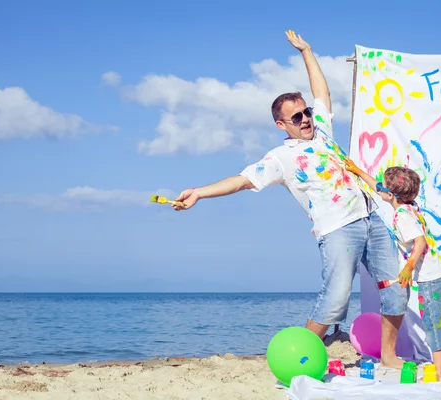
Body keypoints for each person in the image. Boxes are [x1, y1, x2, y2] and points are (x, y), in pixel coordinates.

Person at [172, 30, 409, 369]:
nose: (306, 119)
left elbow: (322, 92)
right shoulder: (280, 158)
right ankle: (301, 356)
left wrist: (307, 52)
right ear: (282, 124)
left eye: (306, 112)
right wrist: (199, 192)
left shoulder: (323, 132)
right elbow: (241, 181)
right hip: (338, 229)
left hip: (372, 217)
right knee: (336, 298)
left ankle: (388, 356)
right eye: (297, 117)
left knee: (395, 287)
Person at [344, 161, 441, 381]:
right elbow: (378, 187)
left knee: (435, 325)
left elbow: (419, 242)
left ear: (391, 195)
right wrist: (358, 172)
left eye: (384, 188)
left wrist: (408, 267)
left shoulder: (402, 217)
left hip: (430, 278)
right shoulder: (410, 205)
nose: (380, 189)